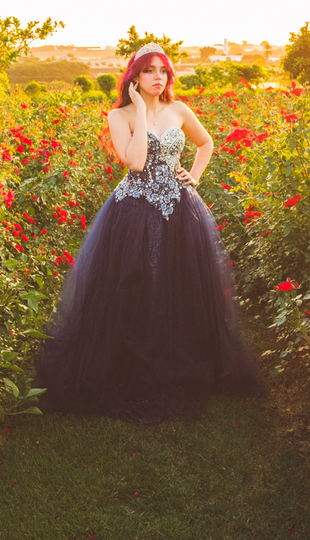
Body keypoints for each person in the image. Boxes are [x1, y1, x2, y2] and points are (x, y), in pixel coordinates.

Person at [34, 42, 265, 423]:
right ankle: (130, 367)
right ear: (134, 77)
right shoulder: (119, 115)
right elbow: (136, 161)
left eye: (163, 71)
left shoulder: (179, 110)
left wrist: (195, 175)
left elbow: (206, 142)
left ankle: (180, 363)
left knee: (178, 285)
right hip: (133, 209)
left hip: (178, 205)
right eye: (149, 71)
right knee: (135, 284)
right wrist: (140, 111)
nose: (158, 78)